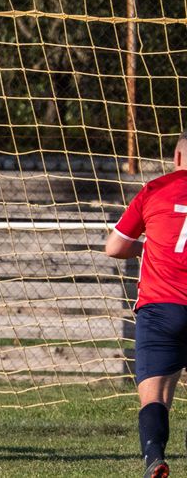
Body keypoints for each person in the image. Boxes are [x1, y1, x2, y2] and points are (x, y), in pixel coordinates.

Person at [106, 131, 187, 478]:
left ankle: (154, 457)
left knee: (155, 396)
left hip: (159, 308)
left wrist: (146, 247)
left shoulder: (155, 189)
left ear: (177, 157)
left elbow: (114, 247)